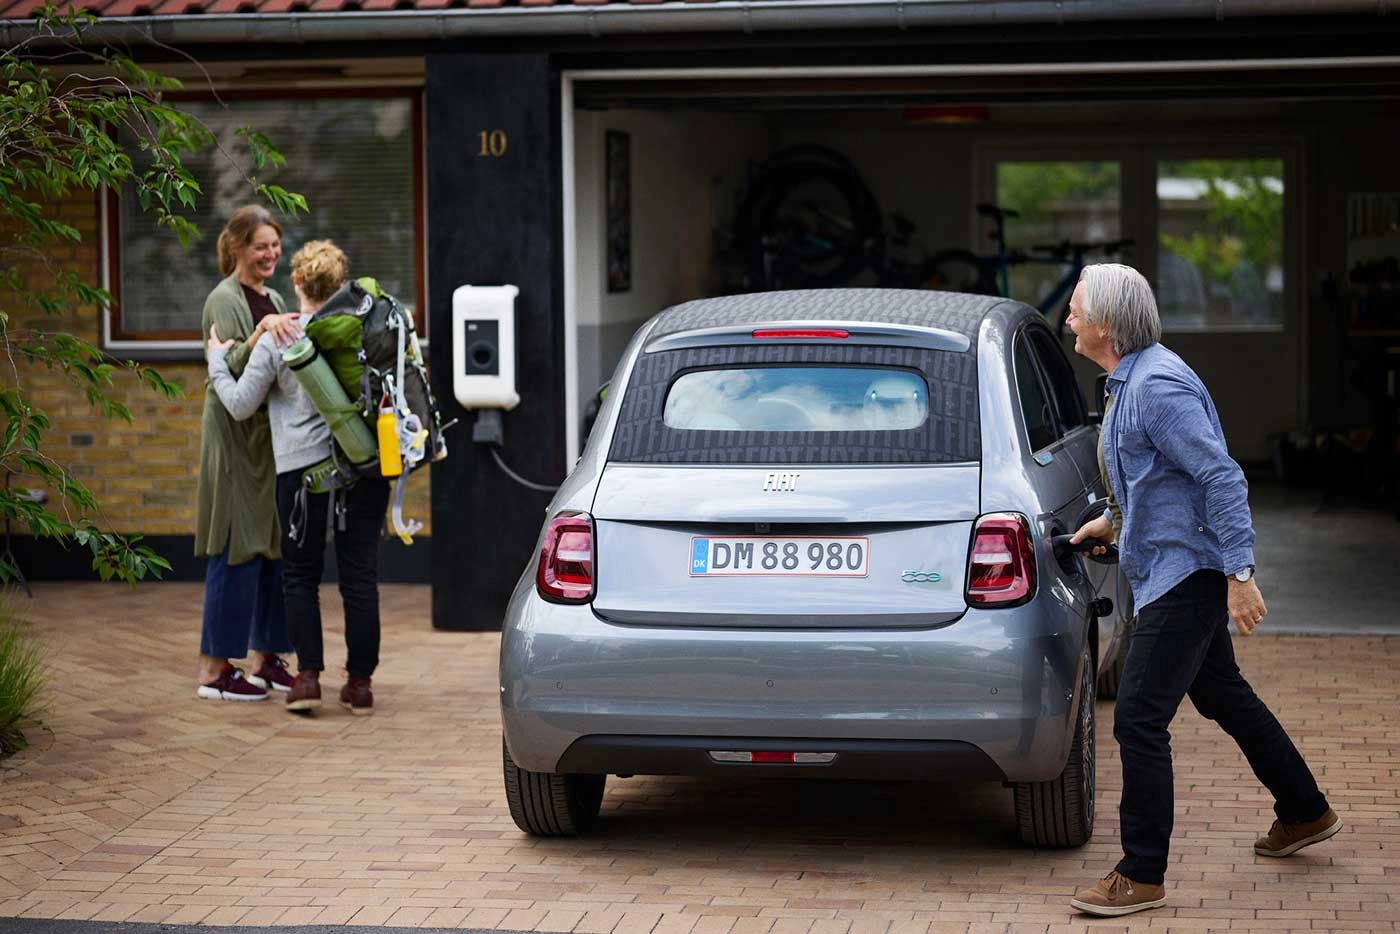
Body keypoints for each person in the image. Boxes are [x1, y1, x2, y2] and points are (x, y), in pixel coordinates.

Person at [1063, 263, 1340, 917]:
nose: (1068, 317)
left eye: (1075, 308)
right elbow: (1153, 478)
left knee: (1137, 719)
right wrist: (1110, 519)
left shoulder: (1159, 386)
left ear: (1105, 321)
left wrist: (1240, 575)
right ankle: (1303, 810)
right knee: (1223, 694)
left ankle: (1142, 873)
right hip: (1165, 568)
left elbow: (1222, 479)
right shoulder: (1123, 384)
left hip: (1186, 579)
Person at [206, 240, 391, 716]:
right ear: (340, 282)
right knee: (360, 580)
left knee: (300, 577)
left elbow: (241, 403)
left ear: (296, 284)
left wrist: (215, 359)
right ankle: (360, 686)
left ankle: (307, 680)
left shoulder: (278, 336)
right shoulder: (360, 331)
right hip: (364, 467)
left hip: (302, 476)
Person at [195, 205, 302, 701]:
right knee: (236, 546)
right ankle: (215, 669)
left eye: (275, 245)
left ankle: (266, 659)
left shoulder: (274, 295)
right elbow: (229, 371)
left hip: (269, 444)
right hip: (234, 443)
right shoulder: (223, 300)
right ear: (236, 246)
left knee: (272, 548)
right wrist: (261, 334)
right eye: (261, 246)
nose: (271, 254)